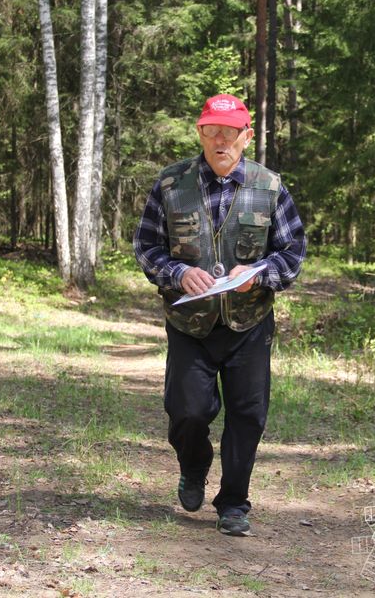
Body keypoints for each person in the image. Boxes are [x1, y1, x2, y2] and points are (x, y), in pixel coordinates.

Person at [133, 94, 307, 536]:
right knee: (188, 411)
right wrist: (176, 271)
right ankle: (193, 466)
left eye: (230, 133)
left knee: (248, 415)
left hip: (248, 323)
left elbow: (293, 252)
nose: (220, 141)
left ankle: (233, 503)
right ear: (200, 133)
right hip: (190, 323)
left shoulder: (269, 187)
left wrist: (260, 273)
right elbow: (146, 245)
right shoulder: (172, 184)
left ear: (246, 137)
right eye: (212, 131)